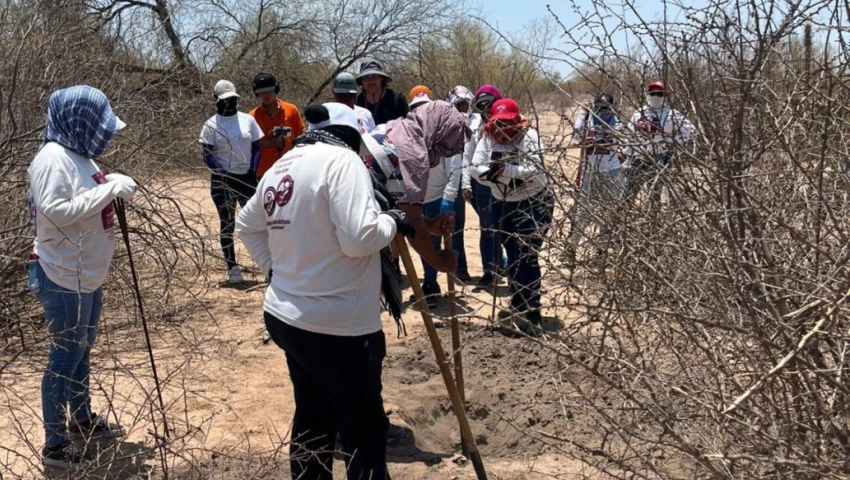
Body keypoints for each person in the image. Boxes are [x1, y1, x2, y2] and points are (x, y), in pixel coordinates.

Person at [236, 103, 413, 480]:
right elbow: (361, 237)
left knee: (312, 419)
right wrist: (392, 222)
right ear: (350, 136)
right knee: (363, 428)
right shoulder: (341, 161)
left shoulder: (281, 166)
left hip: (287, 316)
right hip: (338, 325)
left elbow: (246, 224)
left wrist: (274, 270)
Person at [28, 86, 136, 470]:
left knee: (83, 349)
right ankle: (55, 445)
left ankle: (81, 416)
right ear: (78, 120)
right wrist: (109, 190)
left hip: (86, 273)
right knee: (65, 355)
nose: (104, 134)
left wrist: (108, 186)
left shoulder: (80, 155)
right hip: (62, 275)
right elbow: (56, 211)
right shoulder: (52, 160)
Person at [471, 98, 552, 334]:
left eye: (508, 123)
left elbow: (535, 171)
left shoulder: (531, 137)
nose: (503, 129)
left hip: (534, 202)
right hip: (502, 202)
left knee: (527, 253)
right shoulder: (487, 137)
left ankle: (532, 307)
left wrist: (502, 171)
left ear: (517, 120)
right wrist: (502, 175)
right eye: (499, 123)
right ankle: (518, 299)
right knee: (511, 251)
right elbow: (476, 169)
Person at [384, 100, 470, 277]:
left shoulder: (397, 130)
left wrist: (428, 225)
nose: (440, 157)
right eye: (441, 149)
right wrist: (440, 262)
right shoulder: (411, 153)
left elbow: (399, 210)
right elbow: (411, 221)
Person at [200, 80, 263, 284]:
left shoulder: (248, 121)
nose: (231, 104)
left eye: (233, 100)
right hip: (223, 180)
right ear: (217, 101)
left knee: (256, 221)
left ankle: (265, 262)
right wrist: (222, 172)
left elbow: (257, 146)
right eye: (226, 101)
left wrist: (252, 170)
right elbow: (208, 154)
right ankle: (232, 266)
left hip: (247, 178)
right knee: (227, 222)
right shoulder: (211, 125)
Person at [565, 93, 626, 267]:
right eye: (599, 108)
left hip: (612, 172)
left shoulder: (617, 123)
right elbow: (576, 135)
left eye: (606, 108)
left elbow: (628, 143)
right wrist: (583, 113)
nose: (603, 112)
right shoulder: (588, 121)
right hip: (590, 172)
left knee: (609, 213)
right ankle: (571, 249)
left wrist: (624, 162)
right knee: (583, 213)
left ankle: (601, 251)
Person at [462, 85, 506, 287]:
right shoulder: (476, 128)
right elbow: (467, 157)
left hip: (507, 183)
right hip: (482, 186)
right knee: (487, 228)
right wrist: (466, 183)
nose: (487, 110)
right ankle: (490, 270)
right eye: (482, 107)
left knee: (506, 228)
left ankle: (509, 267)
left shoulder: (510, 123)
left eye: (490, 105)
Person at [624, 80, 695, 202]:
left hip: (658, 159)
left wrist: (671, 142)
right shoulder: (638, 113)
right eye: (653, 94)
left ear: (664, 96)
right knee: (628, 194)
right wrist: (626, 157)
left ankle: (652, 219)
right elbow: (631, 136)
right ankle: (622, 219)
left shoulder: (672, 114)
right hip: (637, 158)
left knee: (654, 196)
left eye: (660, 94)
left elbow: (692, 131)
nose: (656, 97)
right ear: (648, 95)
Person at [249, 72, 305, 179]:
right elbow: (250, 146)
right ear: (257, 94)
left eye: (269, 91)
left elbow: (301, 137)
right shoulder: (252, 116)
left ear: (276, 89)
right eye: (262, 92)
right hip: (263, 172)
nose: (266, 95)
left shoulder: (291, 110)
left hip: (290, 169)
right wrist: (271, 143)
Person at [355, 60, 410, 125]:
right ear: (361, 81)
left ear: (382, 78)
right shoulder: (357, 101)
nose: (370, 81)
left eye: (374, 76)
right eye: (366, 77)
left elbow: (408, 127)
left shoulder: (397, 99)